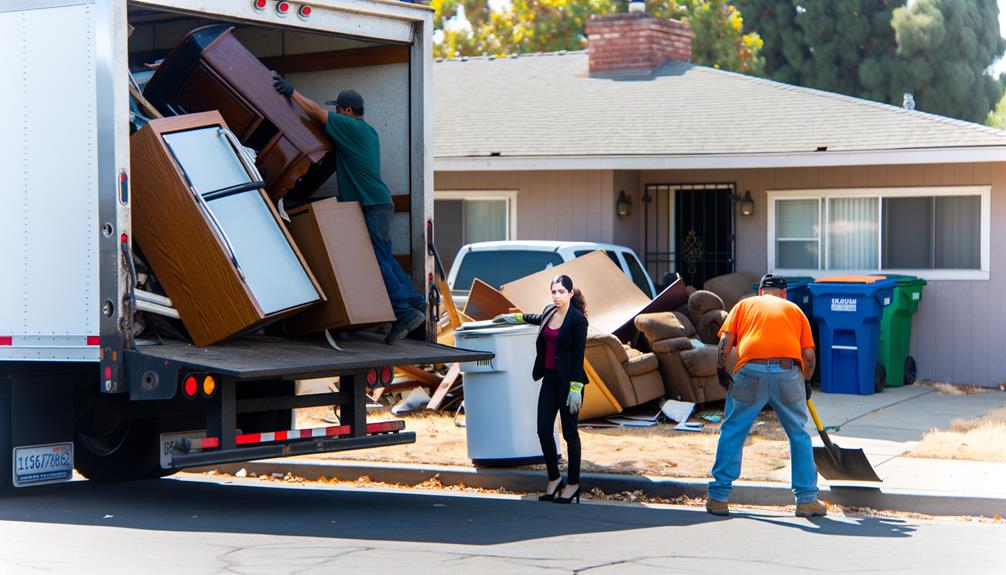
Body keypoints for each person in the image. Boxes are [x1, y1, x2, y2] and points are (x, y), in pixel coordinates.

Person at [272, 73, 425, 344]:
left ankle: (403, 311)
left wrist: (292, 92)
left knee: (378, 262)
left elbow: (318, 113)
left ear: (347, 111)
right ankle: (416, 303)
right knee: (385, 258)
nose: (335, 114)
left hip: (372, 205)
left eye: (338, 110)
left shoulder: (350, 128)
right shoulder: (368, 131)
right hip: (379, 203)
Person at [707, 274, 827, 517]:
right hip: (787, 373)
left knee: (733, 430)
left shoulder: (744, 305)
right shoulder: (794, 310)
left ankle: (718, 497)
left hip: (749, 371)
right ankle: (806, 500)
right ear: (784, 294)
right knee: (799, 435)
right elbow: (809, 356)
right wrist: (805, 381)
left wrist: (721, 370)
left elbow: (725, 343)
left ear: (760, 292)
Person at [494, 275, 588, 504]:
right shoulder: (549, 311)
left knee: (570, 433)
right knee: (543, 430)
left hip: (569, 384)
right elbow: (535, 318)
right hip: (549, 380)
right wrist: (512, 317)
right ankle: (554, 479)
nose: (557, 296)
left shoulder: (578, 321)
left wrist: (576, 389)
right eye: (554, 292)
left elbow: (578, 357)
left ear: (570, 294)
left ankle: (573, 484)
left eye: (561, 292)